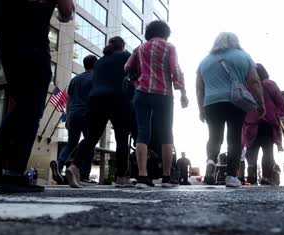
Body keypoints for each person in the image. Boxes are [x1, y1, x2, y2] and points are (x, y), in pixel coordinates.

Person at [0, 0, 75, 193]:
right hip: (35, 49)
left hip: (8, 50)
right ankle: (4, 159)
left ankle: (3, 159)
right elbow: (66, 12)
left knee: (24, 106)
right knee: (32, 110)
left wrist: (13, 33)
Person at [196, 32, 265, 188]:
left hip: (211, 102)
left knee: (214, 136)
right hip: (235, 101)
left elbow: (199, 88)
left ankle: (211, 160)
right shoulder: (243, 56)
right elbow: (254, 81)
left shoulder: (205, 61)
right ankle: (231, 176)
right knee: (234, 137)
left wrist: (201, 108)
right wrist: (261, 103)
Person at [125, 20, 188, 189]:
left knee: (143, 133)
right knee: (166, 132)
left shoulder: (140, 48)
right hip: (163, 94)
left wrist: (140, 72)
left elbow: (127, 67)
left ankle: (142, 177)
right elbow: (175, 70)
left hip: (141, 93)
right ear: (165, 32)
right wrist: (182, 92)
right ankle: (166, 177)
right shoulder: (169, 47)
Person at [66, 36, 133, 188]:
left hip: (96, 100)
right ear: (122, 46)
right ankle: (121, 176)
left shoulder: (100, 61)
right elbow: (135, 74)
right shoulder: (125, 56)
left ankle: (74, 165)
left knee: (91, 137)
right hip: (118, 99)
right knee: (122, 138)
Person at [50, 55, 98, 185]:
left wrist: (67, 117)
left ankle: (59, 165)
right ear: (95, 65)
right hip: (86, 113)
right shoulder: (95, 77)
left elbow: (68, 99)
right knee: (90, 142)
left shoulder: (75, 79)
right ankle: (84, 175)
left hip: (73, 114)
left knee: (72, 142)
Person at [242, 63, 284, 185]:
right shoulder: (269, 84)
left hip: (250, 123)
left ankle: (252, 171)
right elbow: (279, 100)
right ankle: (266, 177)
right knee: (267, 151)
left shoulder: (245, 86)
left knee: (251, 149)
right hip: (267, 122)